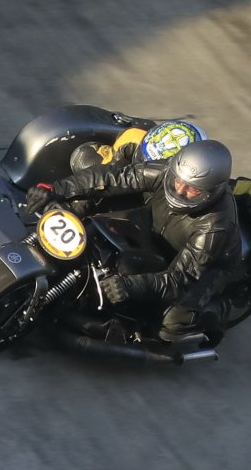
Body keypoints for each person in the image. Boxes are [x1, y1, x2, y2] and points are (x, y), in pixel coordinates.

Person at [26, 140, 239, 344]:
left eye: (192, 190)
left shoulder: (214, 227)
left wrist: (131, 286)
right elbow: (117, 176)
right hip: (156, 229)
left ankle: (218, 311)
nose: (180, 191)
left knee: (170, 322)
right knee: (99, 197)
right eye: (178, 181)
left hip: (205, 266)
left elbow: (180, 279)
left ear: (212, 192)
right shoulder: (169, 172)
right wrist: (56, 189)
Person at [68, 119, 206, 172]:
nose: (146, 162)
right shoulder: (134, 137)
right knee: (84, 162)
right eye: (145, 157)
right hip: (128, 182)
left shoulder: (195, 174)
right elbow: (108, 161)